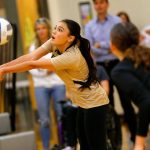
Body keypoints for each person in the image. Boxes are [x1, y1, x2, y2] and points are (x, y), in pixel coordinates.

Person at [0, 19, 109, 150]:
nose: (55, 31)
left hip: (95, 103)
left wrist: (5, 70)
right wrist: (3, 66)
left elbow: (33, 64)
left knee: (96, 146)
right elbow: (31, 57)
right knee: (84, 145)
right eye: (55, 28)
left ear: (70, 38)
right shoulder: (54, 43)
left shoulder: (72, 57)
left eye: (60, 30)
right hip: (83, 103)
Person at [110, 22, 150, 150]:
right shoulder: (145, 54)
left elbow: (146, 101)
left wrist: (139, 142)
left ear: (113, 46)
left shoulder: (119, 71)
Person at [29, 18, 66, 150]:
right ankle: (45, 147)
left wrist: (46, 67)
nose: (41, 31)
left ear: (48, 29)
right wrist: (47, 69)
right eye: (38, 29)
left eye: (43, 28)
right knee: (44, 120)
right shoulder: (33, 47)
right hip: (41, 86)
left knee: (61, 116)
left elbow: (61, 64)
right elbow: (32, 69)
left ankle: (65, 145)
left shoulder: (57, 43)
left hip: (58, 84)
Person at [85, 0, 120, 106]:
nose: (99, 5)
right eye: (96, 3)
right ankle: (113, 123)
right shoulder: (89, 26)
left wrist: (100, 45)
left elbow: (118, 42)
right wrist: (110, 47)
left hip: (116, 62)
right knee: (107, 99)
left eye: (101, 2)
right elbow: (90, 47)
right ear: (94, 6)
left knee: (125, 97)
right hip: (100, 66)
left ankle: (131, 123)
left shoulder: (117, 21)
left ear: (107, 4)